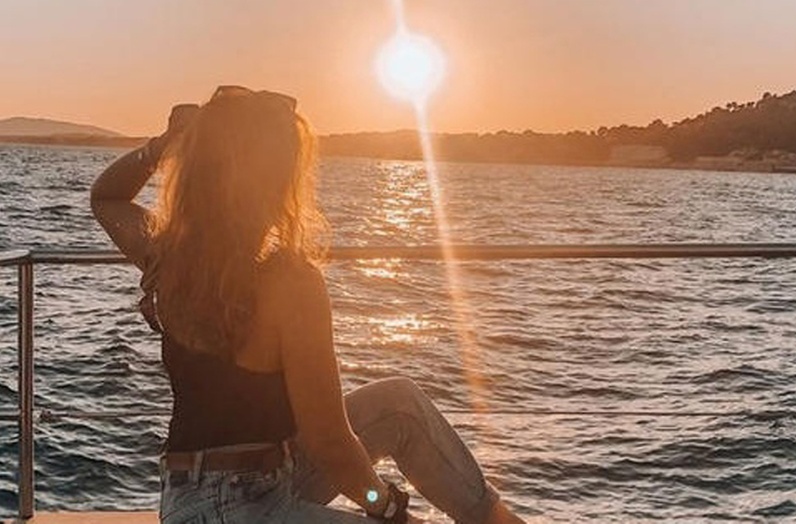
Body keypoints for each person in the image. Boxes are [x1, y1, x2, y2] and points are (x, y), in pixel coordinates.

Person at [91, 85, 527, 524]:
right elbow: (329, 443)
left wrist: (162, 147)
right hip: (244, 509)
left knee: (398, 403)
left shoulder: (169, 257)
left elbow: (106, 197)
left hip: (197, 497)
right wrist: (392, 511)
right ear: (278, 181)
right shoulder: (289, 284)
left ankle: (491, 519)